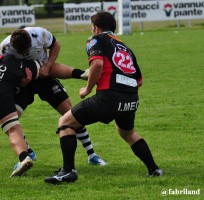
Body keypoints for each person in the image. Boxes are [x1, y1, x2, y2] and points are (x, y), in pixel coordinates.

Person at [44, 12, 163, 184]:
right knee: (127, 132)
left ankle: (68, 172)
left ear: (96, 28)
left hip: (109, 97)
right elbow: (139, 81)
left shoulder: (96, 39)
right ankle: (154, 169)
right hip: (131, 99)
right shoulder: (125, 47)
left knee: (65, 122)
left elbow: (97, 64)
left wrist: (87, 88)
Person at [0, 26, 107, 167]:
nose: (27, 54)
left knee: (71, 114)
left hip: (45, 76)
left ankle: (92, 155)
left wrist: (47, 66)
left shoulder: (39, 34)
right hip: (22, 84)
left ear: (31, 41)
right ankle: (26, 152)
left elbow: (56, 46)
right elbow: (2, 95)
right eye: (23, 53)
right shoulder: (4, 49)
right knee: (9, 121)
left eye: (29, 49)